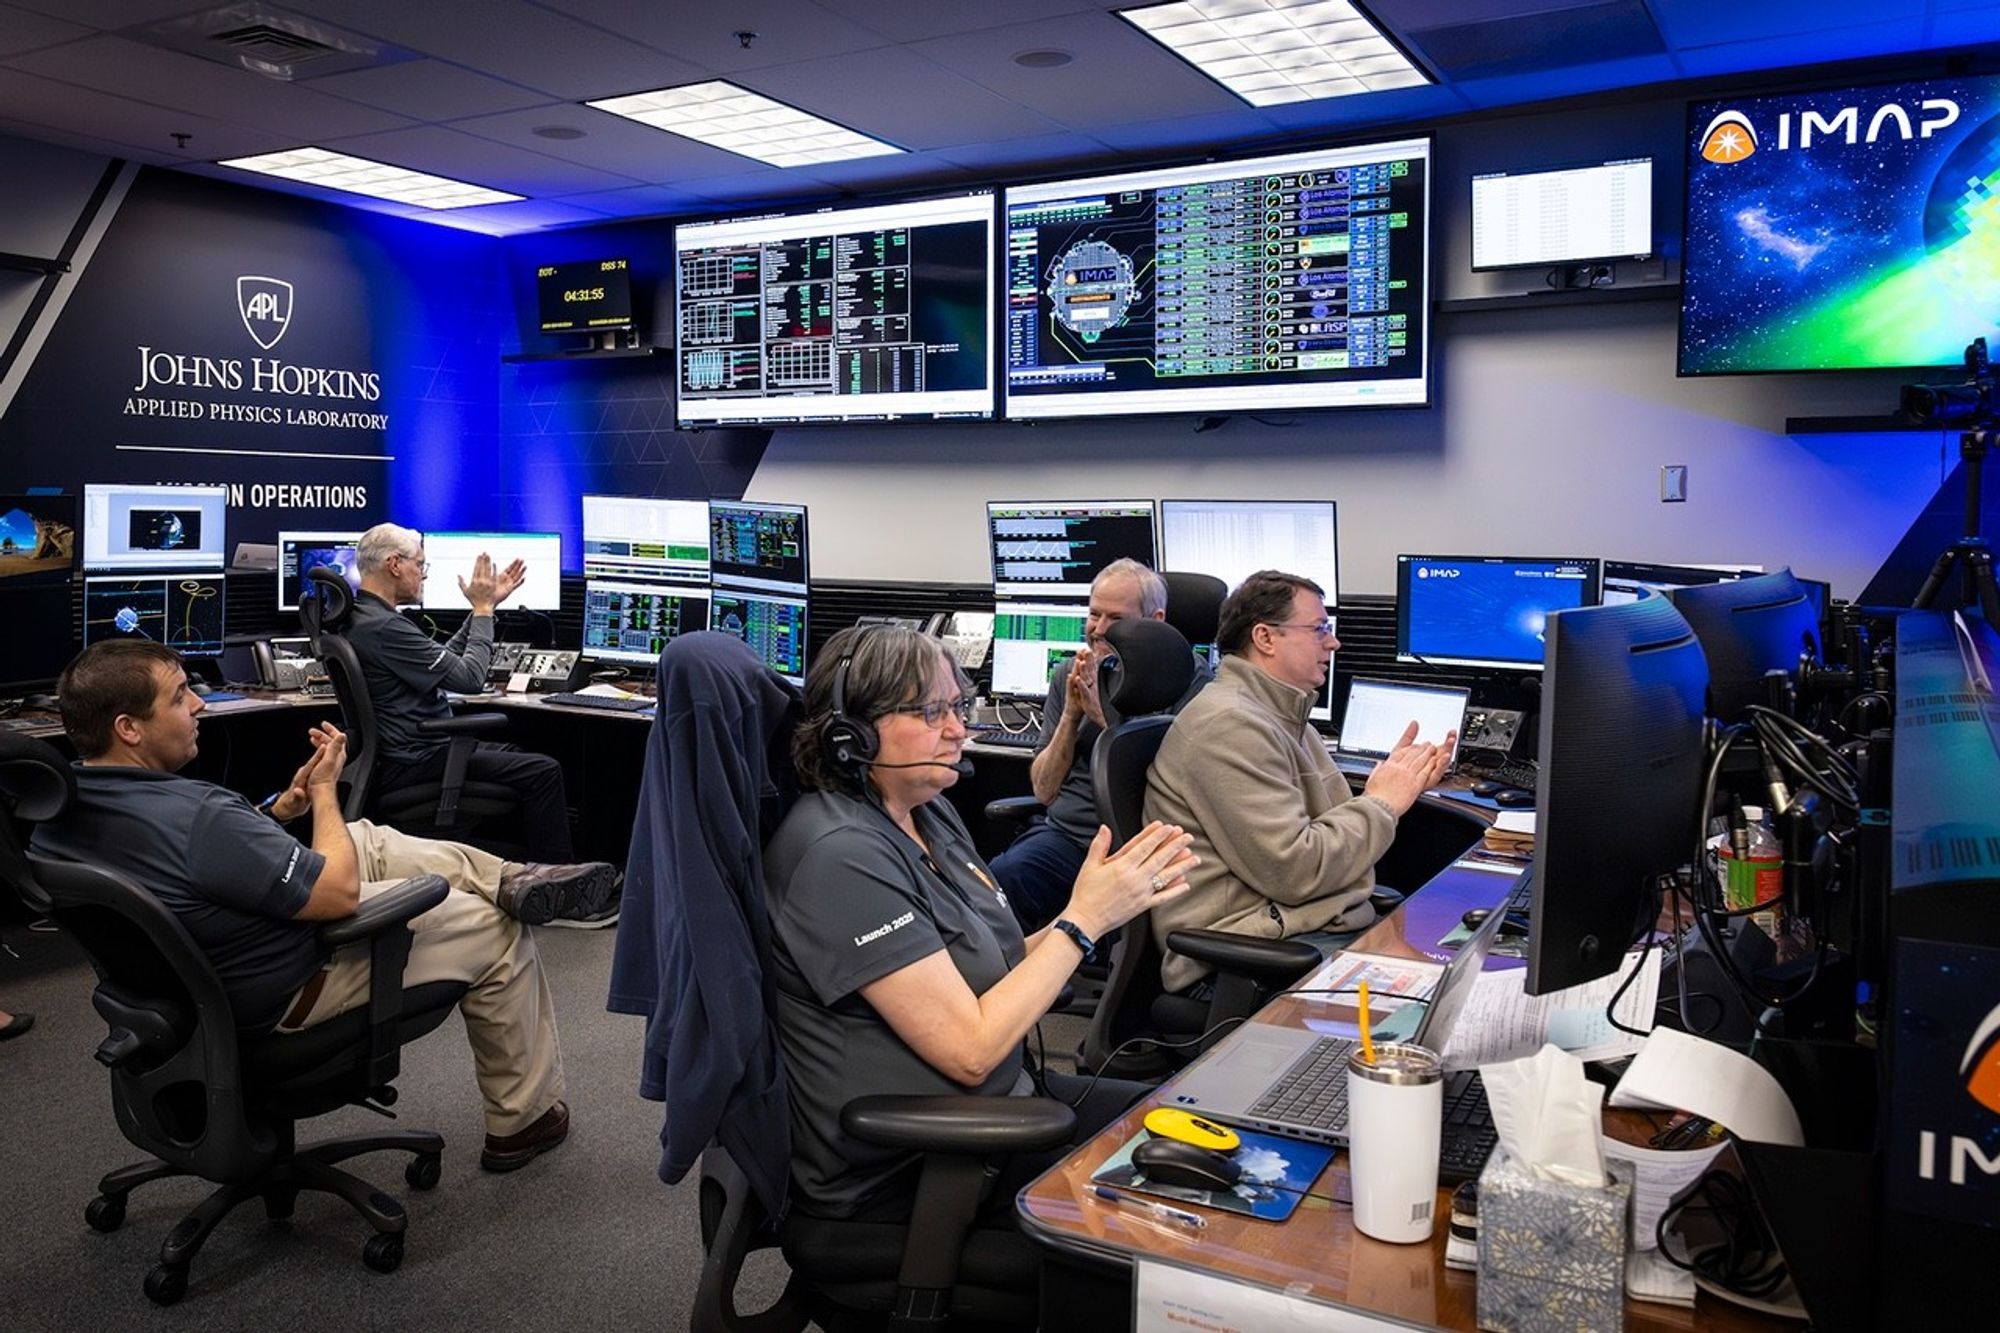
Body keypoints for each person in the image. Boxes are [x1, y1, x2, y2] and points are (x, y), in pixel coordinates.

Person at [30, 640, 590, 1171]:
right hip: (288, 988)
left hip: (197, 983)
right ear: (128, 728)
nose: (199, 703)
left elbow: (195, 858)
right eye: (179, 696)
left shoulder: (60, 814)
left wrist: (279, 813)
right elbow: (338, 895)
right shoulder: (200, 814)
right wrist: (325, 793)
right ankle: (525, 1121)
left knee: (365, 836)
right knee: (493, 925)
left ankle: (513, 877)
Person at [765, 624, 1198, 1221]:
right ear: (851, 733)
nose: (957, 729)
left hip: (996, 1110)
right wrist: (1081, 919)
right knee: (1167, 1223)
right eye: (929, 711)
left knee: (1190, 1124)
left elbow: (994, 965)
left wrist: (1109, 906)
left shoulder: (926, 813)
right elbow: (970, 1048)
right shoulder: (839, 855)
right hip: (915, 1170)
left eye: (957, 706)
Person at [1144, 571, 1453, 993]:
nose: (1333, 642)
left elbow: (1324, 836)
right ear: (1266, 638)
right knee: (1434, 995)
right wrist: (1382, 803)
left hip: (1299, 929)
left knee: (1451, 966)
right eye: (1319, 629)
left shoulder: (1282, 714)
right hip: (1246, 957)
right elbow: (1297, 871)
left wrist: (1389, 786)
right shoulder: (1230, 725)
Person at [344, 525, 608, 918]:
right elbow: (468, 679)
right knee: (542, 771)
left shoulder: (366, 618)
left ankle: (530, 876)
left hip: (402, 756)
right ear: (395, 565)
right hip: (418, 760)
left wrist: (483, 610)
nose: (425, 572)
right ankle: (563, 896)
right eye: (421, 563)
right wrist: (483, 612)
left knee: (515, 755)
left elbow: (445, 663)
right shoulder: (385, 627)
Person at [990, 558, 1207, 934]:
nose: (1099, 630)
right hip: (1069, 838)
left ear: (1154, 621)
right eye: (1094, 615)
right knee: (1000, 884)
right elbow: (1043, 790)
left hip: (1140, 843)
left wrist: (1103, 721)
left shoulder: (1187, 678)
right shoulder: (1069, 673)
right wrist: (1073, 715)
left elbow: (1173, 782)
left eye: (1116, 619)